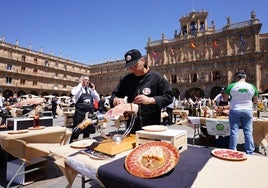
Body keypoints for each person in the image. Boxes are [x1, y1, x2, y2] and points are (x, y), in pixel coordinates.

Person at [110, 49, 173, 134]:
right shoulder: (127, 79)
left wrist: (151, 100)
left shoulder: (156, 77)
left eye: (135, 66)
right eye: (130, 68)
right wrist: (115, 99)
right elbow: (114, 95)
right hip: (132, 127)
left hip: (152, 127)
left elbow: (169, 97)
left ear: (143, 61)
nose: (132, 70)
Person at [223, 70, 258, 154]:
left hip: (235, 110)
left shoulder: (231, 86)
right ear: (245, 77)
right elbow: (256, 101)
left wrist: (232, 99)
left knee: (234, 131)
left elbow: (225, 99)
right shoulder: (252, 87)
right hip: (247, 110)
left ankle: (233, 150)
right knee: (248, 132)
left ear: (236, 77)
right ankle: (250, 152)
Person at [69, 75, 100, 143]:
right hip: (80, 114)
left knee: (87, 131)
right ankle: (71, 145)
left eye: (88, 80)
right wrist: (80, 84)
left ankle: (85, 146)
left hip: (89, 114)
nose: (87, 81)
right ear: (81, 80)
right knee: (76, 131)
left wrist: (94, 90)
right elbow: (73, 93)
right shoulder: (77, 88)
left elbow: (97, 99)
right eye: (85, 79)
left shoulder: (90, 90)